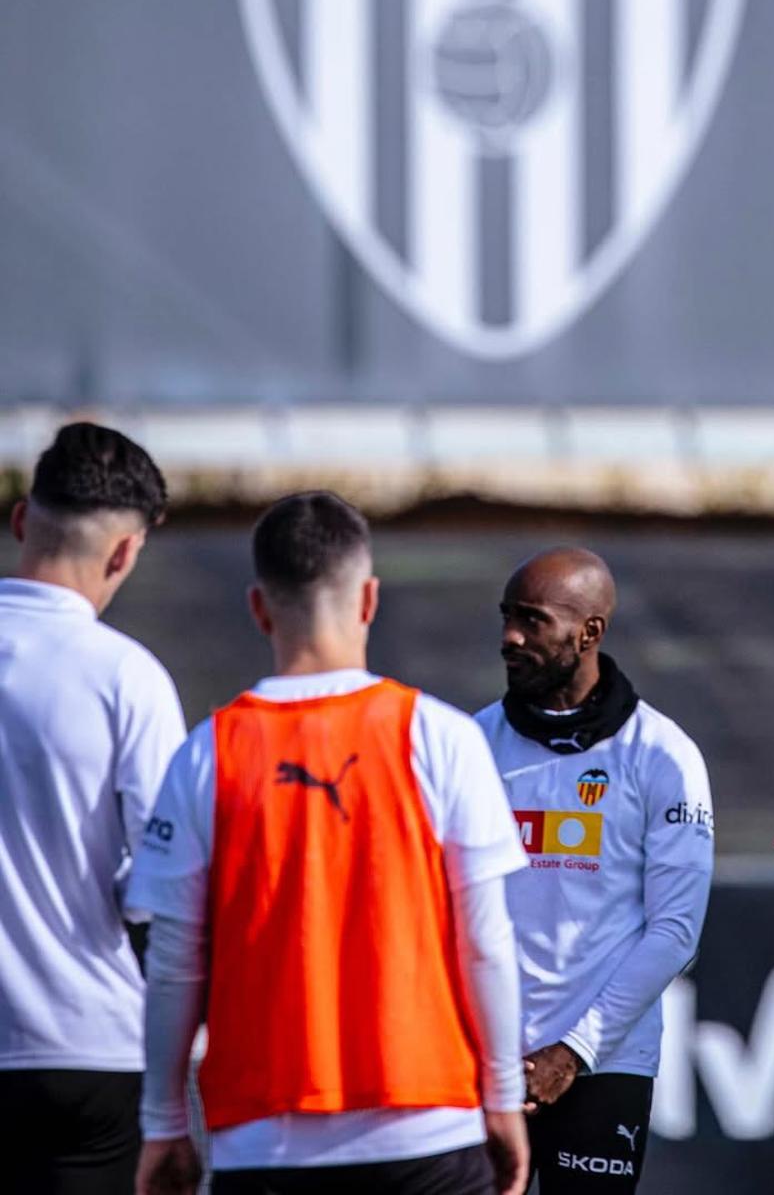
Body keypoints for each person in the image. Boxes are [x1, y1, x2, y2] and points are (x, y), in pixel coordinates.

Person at [127, 491, 530, 1195]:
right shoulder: (441, 736)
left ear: (258, 608)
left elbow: (174, 963)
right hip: (428, 1126)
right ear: (369, 599)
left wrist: (163, 1121)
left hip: (262, 1140)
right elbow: (487, 942)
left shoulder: (207, 754)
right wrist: (501, 1099)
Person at [476, 548, 714, 1192]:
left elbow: (675, 933)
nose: (510, 637)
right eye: (506, 617)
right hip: (480, 1064)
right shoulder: (468, 747)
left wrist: (573, 1051)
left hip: (606, 1062)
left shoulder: (664, 756)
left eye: (531, 620)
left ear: (589, 633)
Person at [0, 420, 186, 1195]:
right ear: (124, 552)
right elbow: (164, 881)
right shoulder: (126, 677)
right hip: (82, 1047)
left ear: (20, 520)